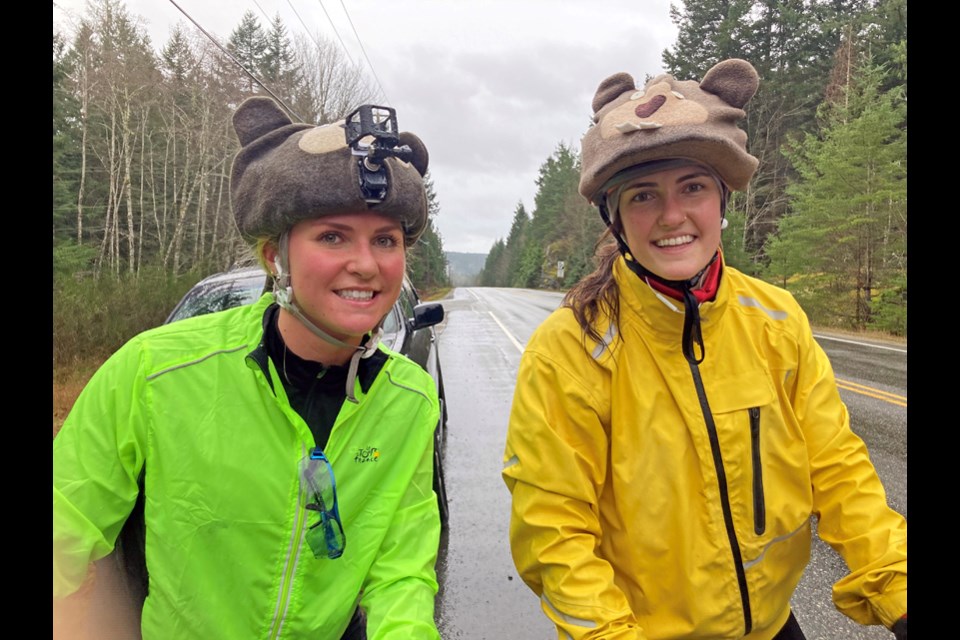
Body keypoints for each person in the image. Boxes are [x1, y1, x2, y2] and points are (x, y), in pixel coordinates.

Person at [501, 58, 907, 640]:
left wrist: (896, 585)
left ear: (722, 200)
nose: (672, 216)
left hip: (772, 626)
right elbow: (553, 532)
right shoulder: (570, 350)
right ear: (614, 219)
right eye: (643, 196)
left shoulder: (775, 318)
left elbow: (837, 467)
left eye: (692, 187)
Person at [53, 96, 443, 639]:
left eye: (386, 240)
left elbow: (401, 572)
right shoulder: (154, 371)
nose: (366, 263)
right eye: (332, 236)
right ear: (274, 257)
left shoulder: (409, 401)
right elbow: (61, 532)